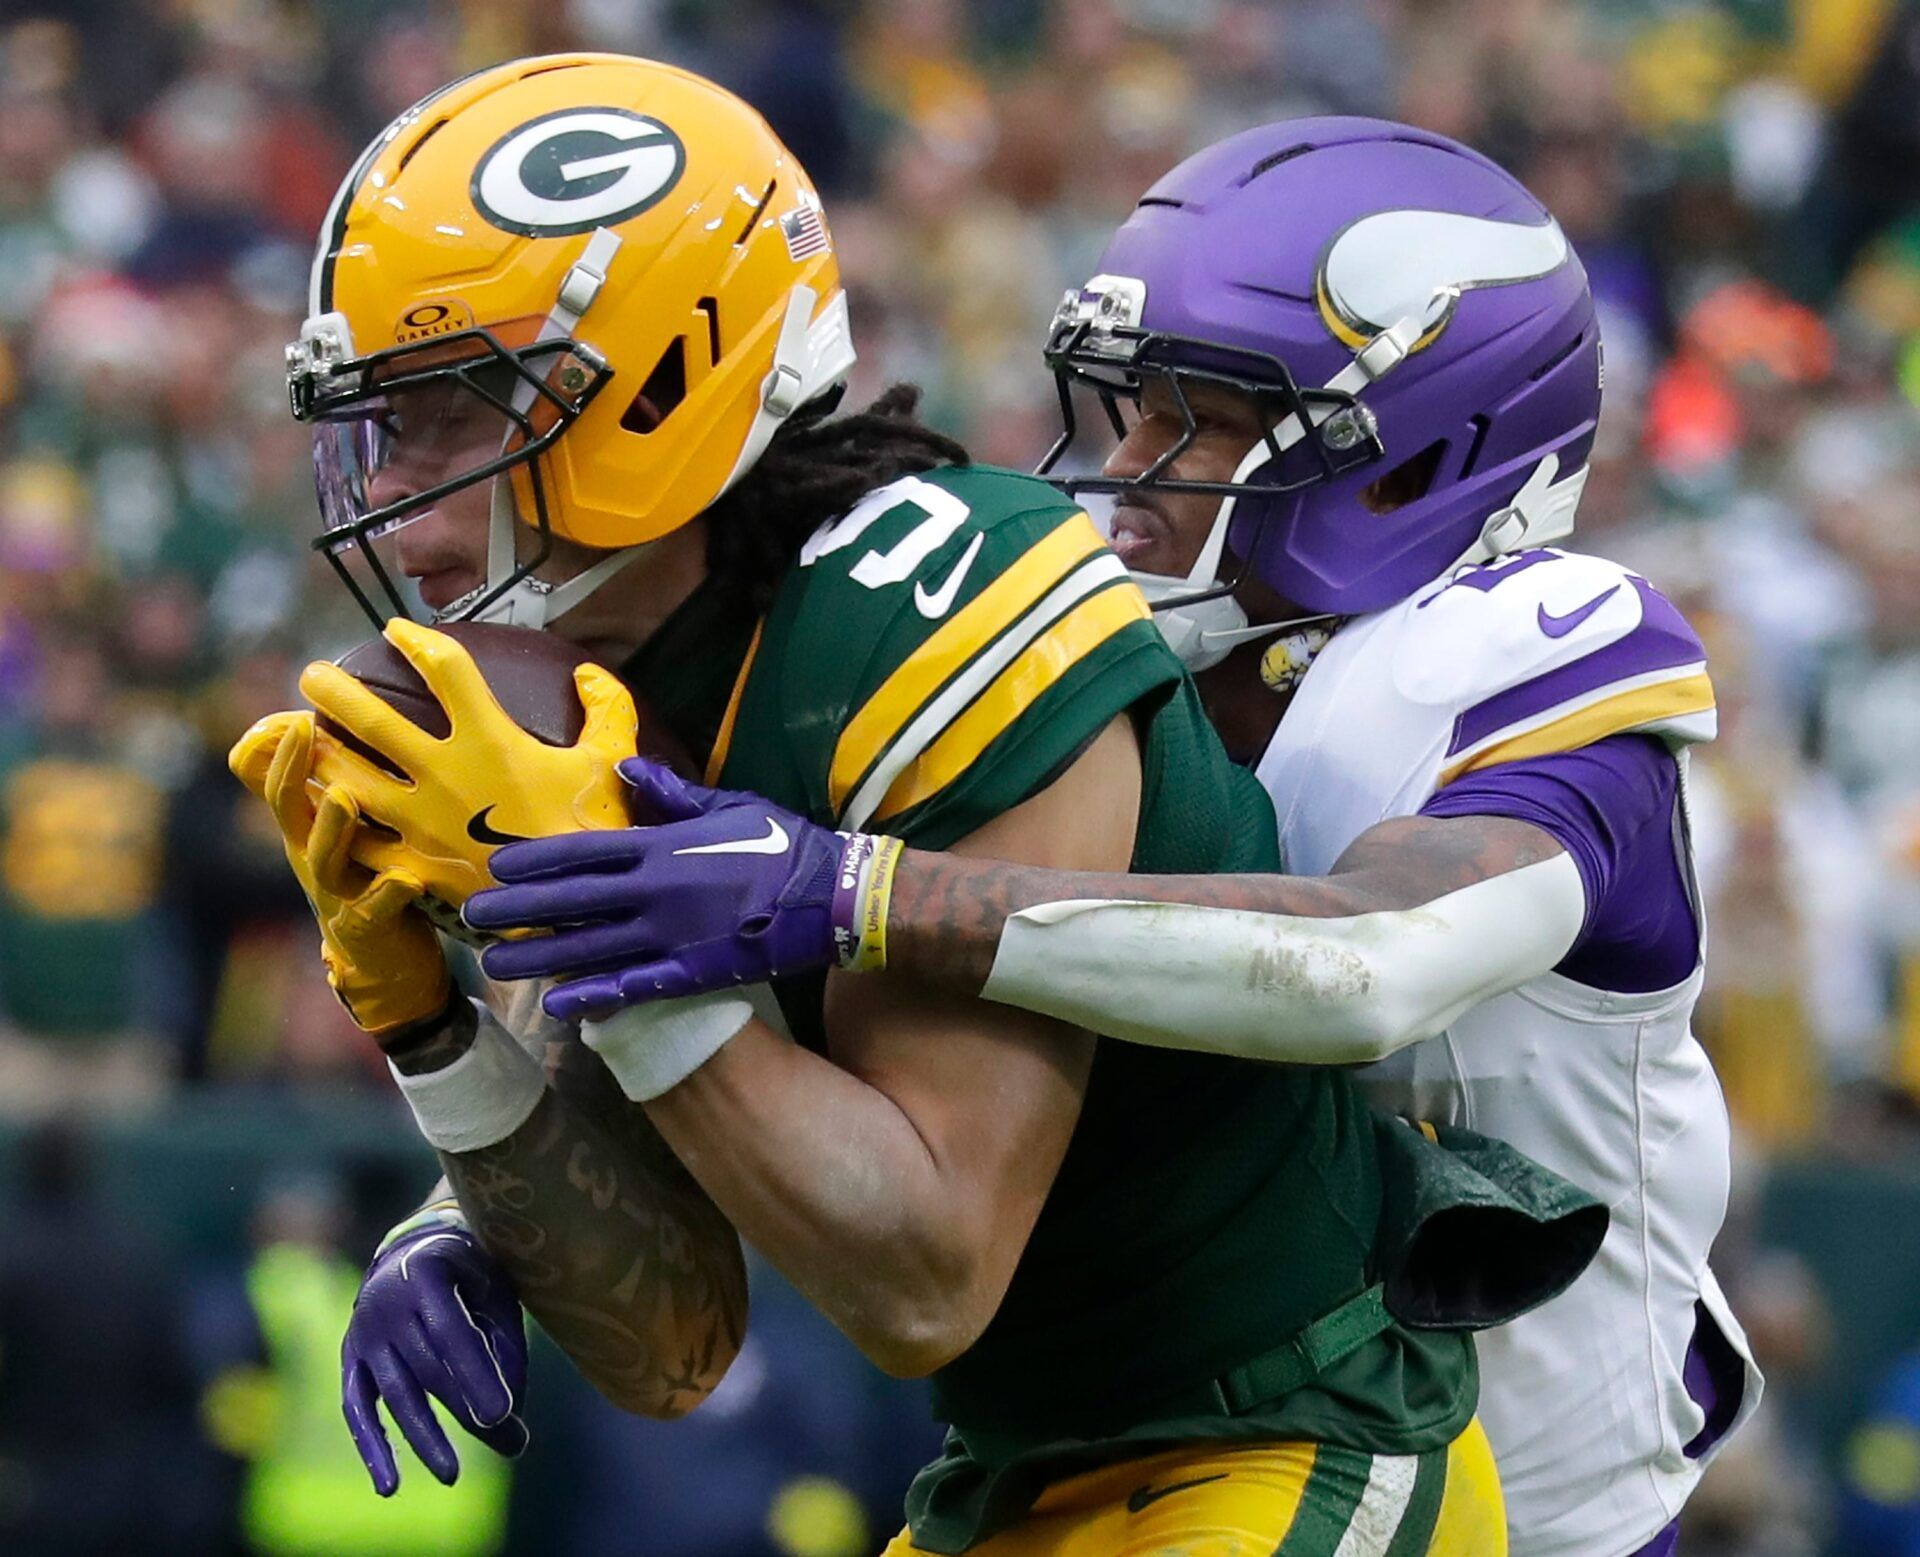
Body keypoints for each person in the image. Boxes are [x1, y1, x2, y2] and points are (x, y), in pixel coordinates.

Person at [232, 62, 1604, 1556]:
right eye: (373, 425)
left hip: (1284, 1439)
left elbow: (927, 1270)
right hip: (1014, 1476)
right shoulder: (595, 705)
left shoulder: (931, 606)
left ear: (656, 385)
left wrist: (593, 900)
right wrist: (437, 1042)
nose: (396, 500)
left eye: (442, 417)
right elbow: (676, 1341)